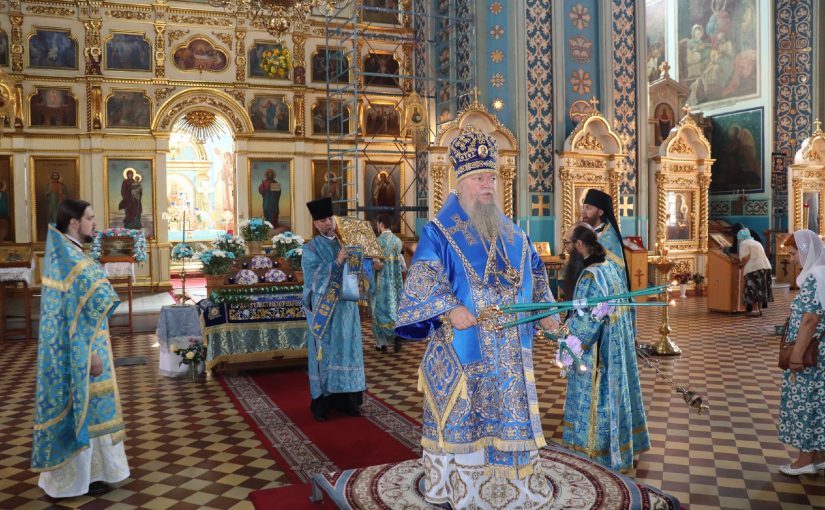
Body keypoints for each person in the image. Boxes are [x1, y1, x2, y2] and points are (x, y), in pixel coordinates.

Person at [395, 126, 558, 508]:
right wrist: (450, 308)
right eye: (479, 178)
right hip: (463, 350)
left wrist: (549, 316)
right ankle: (465, 494)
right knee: (467, 427)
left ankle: (512, 495)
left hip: (511, 357)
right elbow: (421, 282)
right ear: (461, 181)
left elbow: (535, 281)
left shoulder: (514, 233)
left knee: (507, 418)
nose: (488, 185)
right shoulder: (439, 232)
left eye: (492, 177)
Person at [31, 199, 129, 498]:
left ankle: (94, 474)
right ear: (73, 222)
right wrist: (89, 353)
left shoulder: (68, 252)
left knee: (95, 410)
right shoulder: (69, 259)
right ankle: (78, 479)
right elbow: (75, 317)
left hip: (90, 343)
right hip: (84, 349)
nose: (94, 223)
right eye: (90, 217)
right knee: (83, 406)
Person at [560, 223, 649, 472]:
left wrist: (566, 346)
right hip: (617, 345)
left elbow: (585, 321)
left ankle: (595, 452)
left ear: (579, 246)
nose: (565, 249)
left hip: (599, 354)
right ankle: (621, 447)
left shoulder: (590, 276)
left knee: (598, 399)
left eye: (568, 244)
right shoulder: (610, 266)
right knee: (617, 395)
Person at [302, 197, 367, 422]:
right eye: (322, 220)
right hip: (325, 310)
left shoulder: (345, 240)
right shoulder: (310, 248)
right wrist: (337, 262)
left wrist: (368, 263)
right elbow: (313, 280)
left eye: (330, 218)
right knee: (327, 353)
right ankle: (324, 403)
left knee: (348, 351)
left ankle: (349, 401)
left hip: (347, 309)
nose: (328, 223)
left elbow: (359, 274)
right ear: (315, 224)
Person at [777, 230, 825, 475]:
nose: (792, 259)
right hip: (821, 353)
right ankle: (819, 455)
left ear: (807, 252)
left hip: (809, 352)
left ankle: (804, 461)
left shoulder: (815, 278)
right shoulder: (822, 274)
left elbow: (810, 320)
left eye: (794, 253)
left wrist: (796, 355)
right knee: (818, 401)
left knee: (805, 402)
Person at [581, 188, 630, 288]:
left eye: (589, 208)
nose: (584, 212)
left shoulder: (610, 237)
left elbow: (614, 270)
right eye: (584, 208)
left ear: (600, 212)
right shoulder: (584, 232)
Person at [370, 213, 405, 352]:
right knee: (394, 308)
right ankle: (396, 334)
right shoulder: (398, 241)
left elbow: (375, 264)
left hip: (381, 283)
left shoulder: (377, 242)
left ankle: (381, 343)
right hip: (395, 282)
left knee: (378, 309)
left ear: (381, 225)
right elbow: (402, 264)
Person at [737, 228, 772, 316]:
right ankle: (759, 310)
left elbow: (745, 257)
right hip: (765, 267)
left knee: (753, 289)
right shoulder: (756, 242)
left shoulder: (744, 243)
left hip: (753, 268)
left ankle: (754, 310)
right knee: (761, 289)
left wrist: (740, 264)